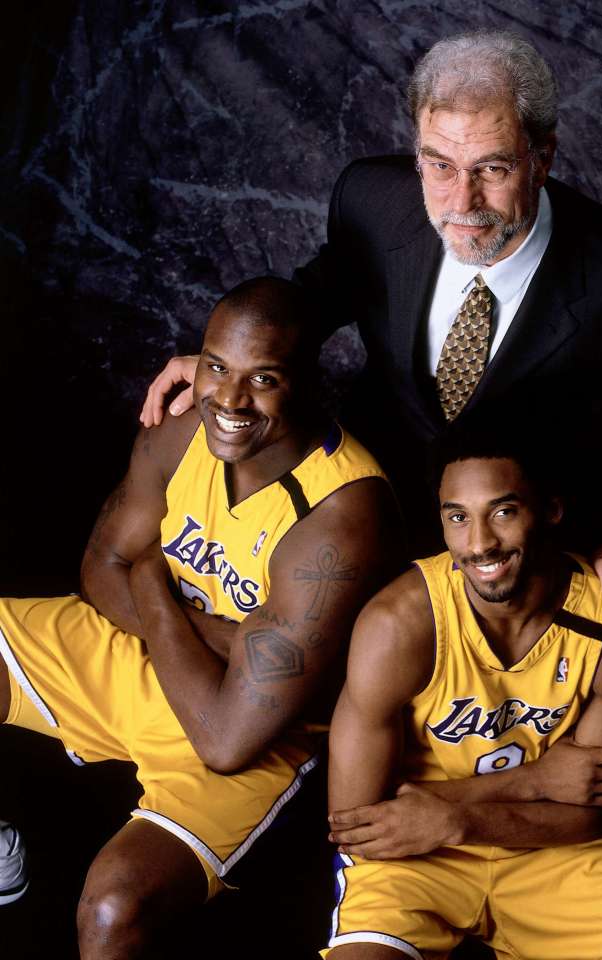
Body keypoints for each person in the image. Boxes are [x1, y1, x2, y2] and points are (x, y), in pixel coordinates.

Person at [139, 29, 602, 661]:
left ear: (543, 157)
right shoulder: (373, 201)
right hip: (366, 494)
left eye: (493, 167)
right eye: (439, 165)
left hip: (509, 543)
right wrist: (227, 364)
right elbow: (317, 295)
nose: (462, 202)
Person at [0, 277, 402, 958]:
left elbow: (226, 738)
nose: (231, 400)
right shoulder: (184, 432)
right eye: (216, 367)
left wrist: (154, 579)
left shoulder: (341, 515)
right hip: (153, 661)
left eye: (263, 378)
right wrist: (229, 636)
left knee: (110, 910)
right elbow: (99, 565)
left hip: (247, 729)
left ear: (307, 382)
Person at [323, 424, 602, 959]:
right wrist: (538, 779)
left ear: (550, 511)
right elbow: (357, 825)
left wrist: (459, 817)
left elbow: (592, 811)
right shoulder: (398, 624)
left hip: (549, 851)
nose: (480, 543)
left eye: (504, 512)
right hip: (413, 857)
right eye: (457, 517)